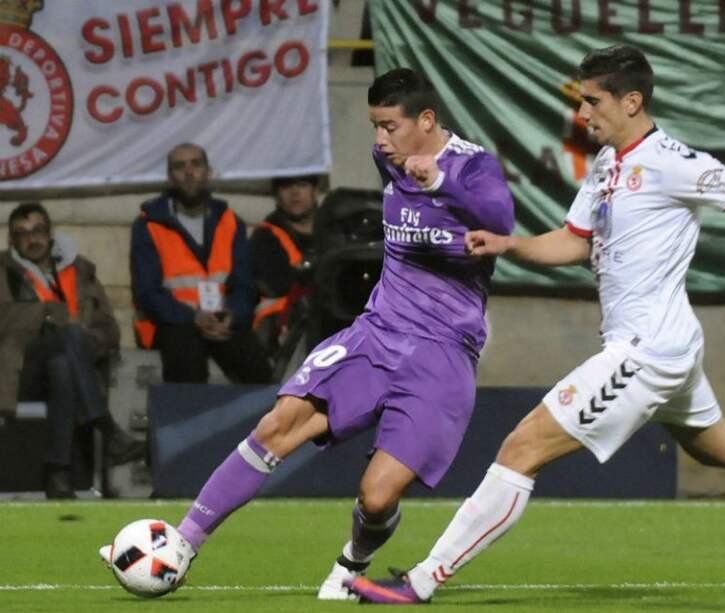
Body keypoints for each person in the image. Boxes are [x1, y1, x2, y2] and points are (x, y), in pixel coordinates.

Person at [346, 45, 725, 605]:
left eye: (592, 101)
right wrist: (507, 244)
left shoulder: (670, 161)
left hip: (649, 352)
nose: (582, 114)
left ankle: (420, 583)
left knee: (521, 448)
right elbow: (573, 242)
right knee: (723, 447)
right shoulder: (606, 165)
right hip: (665, 346)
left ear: (632, 101)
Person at [100, 68, 515, 599]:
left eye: (389, 126)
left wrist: (438, 180)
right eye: (374, 126)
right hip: (377, 331)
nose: (379, 140)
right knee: (280, 423)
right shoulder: (387, 159)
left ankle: (353, 560)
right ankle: (184, 540)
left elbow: (499, 219)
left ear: (426, 120)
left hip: (443, 353)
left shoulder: (475, 167)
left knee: (377, 496)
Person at [0, 202, 144, 498]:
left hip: (72, 367)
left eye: (38, 230)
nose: (32, 239)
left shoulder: (80, 270)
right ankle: (106, 427)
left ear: (50, 234)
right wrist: (50, 315)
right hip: (20, 371)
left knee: (64, 364)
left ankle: (58, 472)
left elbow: (109, 329)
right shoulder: (3, 271)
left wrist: (82, 338)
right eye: (22, 234)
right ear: (11, 241)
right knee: (66, 337)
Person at [130, 143, 272, 384]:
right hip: (173, 322)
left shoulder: (230, 221)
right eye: (179, 166)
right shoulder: (148, 225)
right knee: (186, 362)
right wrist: (193, 317)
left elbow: (244, 284)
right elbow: (147, 291)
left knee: (257, 367)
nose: (188, 172)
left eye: (196, 164)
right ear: (169, 177)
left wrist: (232, 314)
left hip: (221, 321)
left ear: (208, 172)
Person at [248, 174, 320, 361]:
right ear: (277, 195)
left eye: (302, 184)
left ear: (315, 191)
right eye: (286, 187)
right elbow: (276, 284)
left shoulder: (333, 231)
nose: (294, 192)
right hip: (280, 323)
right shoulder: (264, 236)